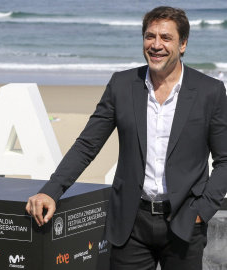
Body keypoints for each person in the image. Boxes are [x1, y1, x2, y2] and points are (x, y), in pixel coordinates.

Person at [26, 6, 227, 270]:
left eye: (166, 38)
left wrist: (202, 211)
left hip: (184, 222)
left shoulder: (209, 91)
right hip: (131, 223)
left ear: (183, 44)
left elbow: (224, 160)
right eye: (149, 36)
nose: (156, 45)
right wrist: (50, 191)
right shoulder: (121, 85)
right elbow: (87, 145)